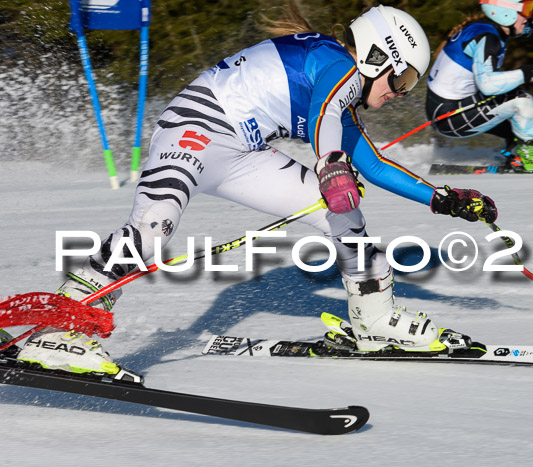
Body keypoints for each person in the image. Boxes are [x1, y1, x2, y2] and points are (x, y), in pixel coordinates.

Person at [14, 5, 498, 376]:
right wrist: (332, 166)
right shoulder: (336, 64)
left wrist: (443, 198)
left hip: (241, 155)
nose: (402, 91)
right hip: (196, 129)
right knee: (151, 230)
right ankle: (62, 331)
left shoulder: (341, 89)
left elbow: (372, 164)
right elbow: (328, 116)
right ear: (377, 56)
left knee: (338, 212)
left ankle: (374, 319)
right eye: (403, 77)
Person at [425, 0, 533, 171]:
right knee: (521, 101)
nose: (528, 16)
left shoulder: (490, 27)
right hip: (449, 116)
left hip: (446, 107)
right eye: (525, 10)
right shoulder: (489, 38)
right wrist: (528, 73)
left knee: (521, 120)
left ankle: (519, 154)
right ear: (505, 13)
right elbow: (487, 85)